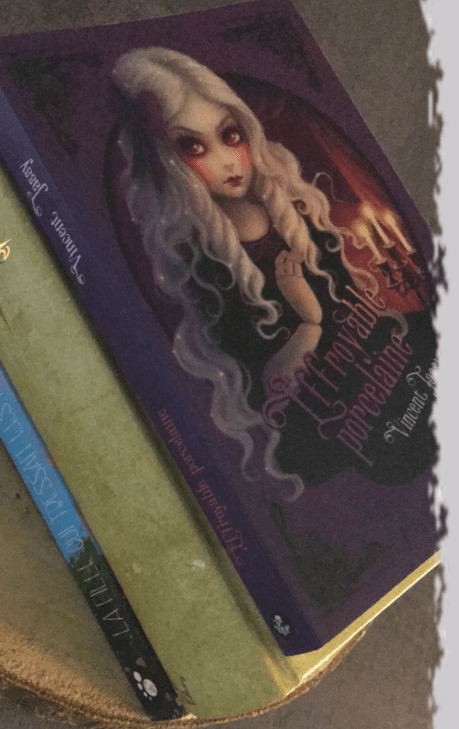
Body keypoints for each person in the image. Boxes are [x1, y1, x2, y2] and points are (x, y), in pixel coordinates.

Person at [112, 47, 422, 497]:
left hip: (378, 372)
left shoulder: (294, 208)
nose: (227, 161)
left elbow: (358, 306)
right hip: (322, 423)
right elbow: (269, 394)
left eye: (229, 135)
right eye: (194, 146)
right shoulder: (205, 268)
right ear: (167, 163)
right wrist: (308, 320)